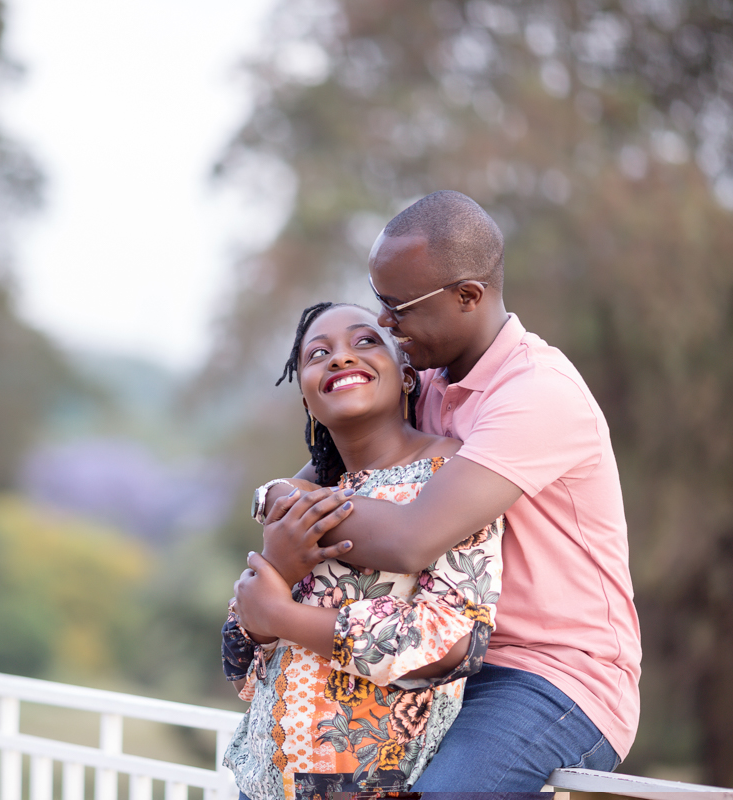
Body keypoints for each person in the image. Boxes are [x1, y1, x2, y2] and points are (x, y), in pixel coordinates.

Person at [251, 191, 640, 794]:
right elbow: (326, 476)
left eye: (397, 305)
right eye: (380, 301)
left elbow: (409, 540)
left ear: (468, 296)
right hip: (441, 662)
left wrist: (293, 523)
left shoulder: (537, 394)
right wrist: (278, 495)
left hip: (552, 674)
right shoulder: (427, 380)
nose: (384, 322)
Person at [222, 302, 504, 797]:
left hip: (376, 785)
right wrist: (278, 573)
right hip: (264, 784)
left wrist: (282, 617)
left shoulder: (450, 477)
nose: (339, 358)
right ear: (308, 399)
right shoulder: (303, 500)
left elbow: (452, 644)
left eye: (365, 341)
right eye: (318, 354)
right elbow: (239, 663)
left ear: (408, 375)